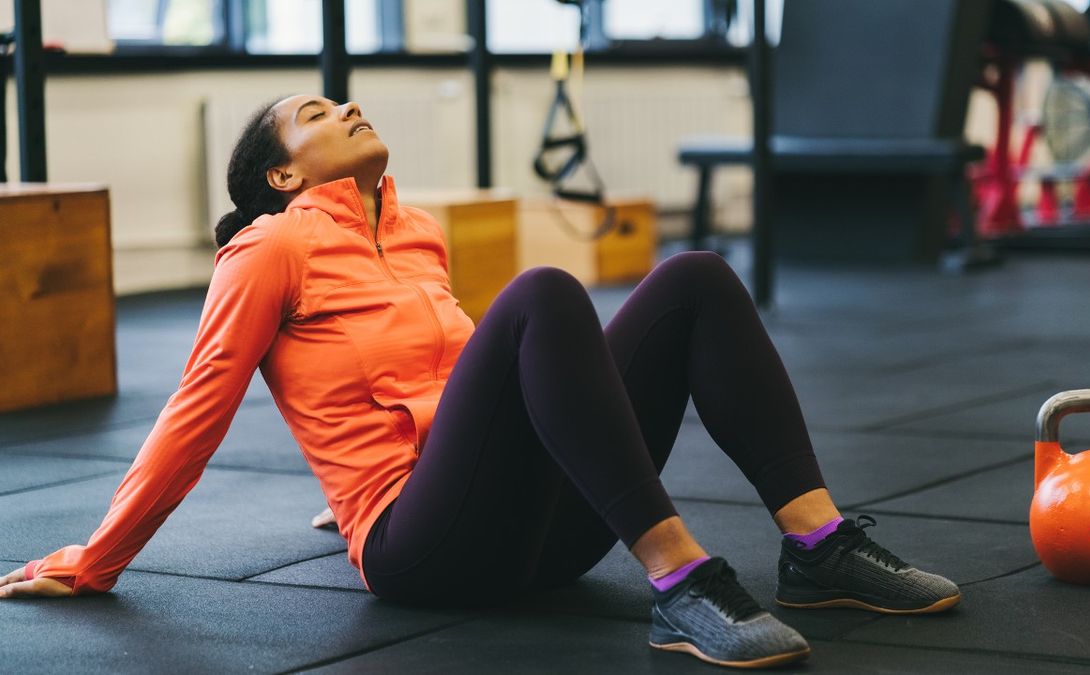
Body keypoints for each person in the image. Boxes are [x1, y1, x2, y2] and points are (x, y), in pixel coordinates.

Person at [0, 96, 960, 669]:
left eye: (340, 99)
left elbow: (460, 394)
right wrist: (98, 557)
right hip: (427, 551)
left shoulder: (416, 233)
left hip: (539, 531)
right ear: (282, 178)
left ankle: (818, 546)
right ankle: (682, 579)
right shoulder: (266, 249)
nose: (343, 107)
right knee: (543, 293)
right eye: (313, 115)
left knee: (694, 278)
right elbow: (195, 410)